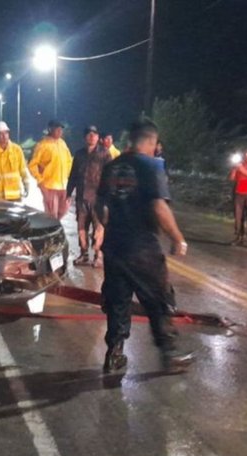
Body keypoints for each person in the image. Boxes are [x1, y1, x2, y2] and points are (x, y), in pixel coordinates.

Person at [95, 119, 192, 373]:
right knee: (159, 299)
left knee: (118, 301)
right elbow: (158, 206)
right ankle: (169, 355)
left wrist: (106, 226)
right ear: (150, 141)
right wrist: (177, 238)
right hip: (141, 247)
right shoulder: (151, 165)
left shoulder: (112, 166)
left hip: (114, 246)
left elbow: (99, 206)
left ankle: (114, 354)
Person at [66, 125, 111, 268]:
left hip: (98, 199)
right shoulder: (79, 155)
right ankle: (84, 254)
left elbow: (110, 176)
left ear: (98, 138)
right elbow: (73, 175)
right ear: (85, 137)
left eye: (94, 134)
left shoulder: (104, 154)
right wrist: (68, 193)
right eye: (89, 134)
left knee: (99, 228)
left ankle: (98, 256)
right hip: (82, 198)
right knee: (81, 228)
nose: (91, 137)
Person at [29, 119, 73, 220]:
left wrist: (70, 178)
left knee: (63, 211)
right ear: (50, 129)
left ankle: (55, 230)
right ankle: (51, 234)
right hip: (49, 186)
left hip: (63, 186)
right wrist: (40, 181)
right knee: (51, 216)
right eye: (57, 129)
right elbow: (32, 165)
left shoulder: (62, 143)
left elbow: (69, 161)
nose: (60, 131)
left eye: (61, 129)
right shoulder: (42, 145)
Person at [0, 121, 28, 202]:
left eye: (6, 133)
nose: (4, 136)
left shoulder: (17, 149)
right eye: (1, 134)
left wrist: (26, 184)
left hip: (15, 195)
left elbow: (23, 169)